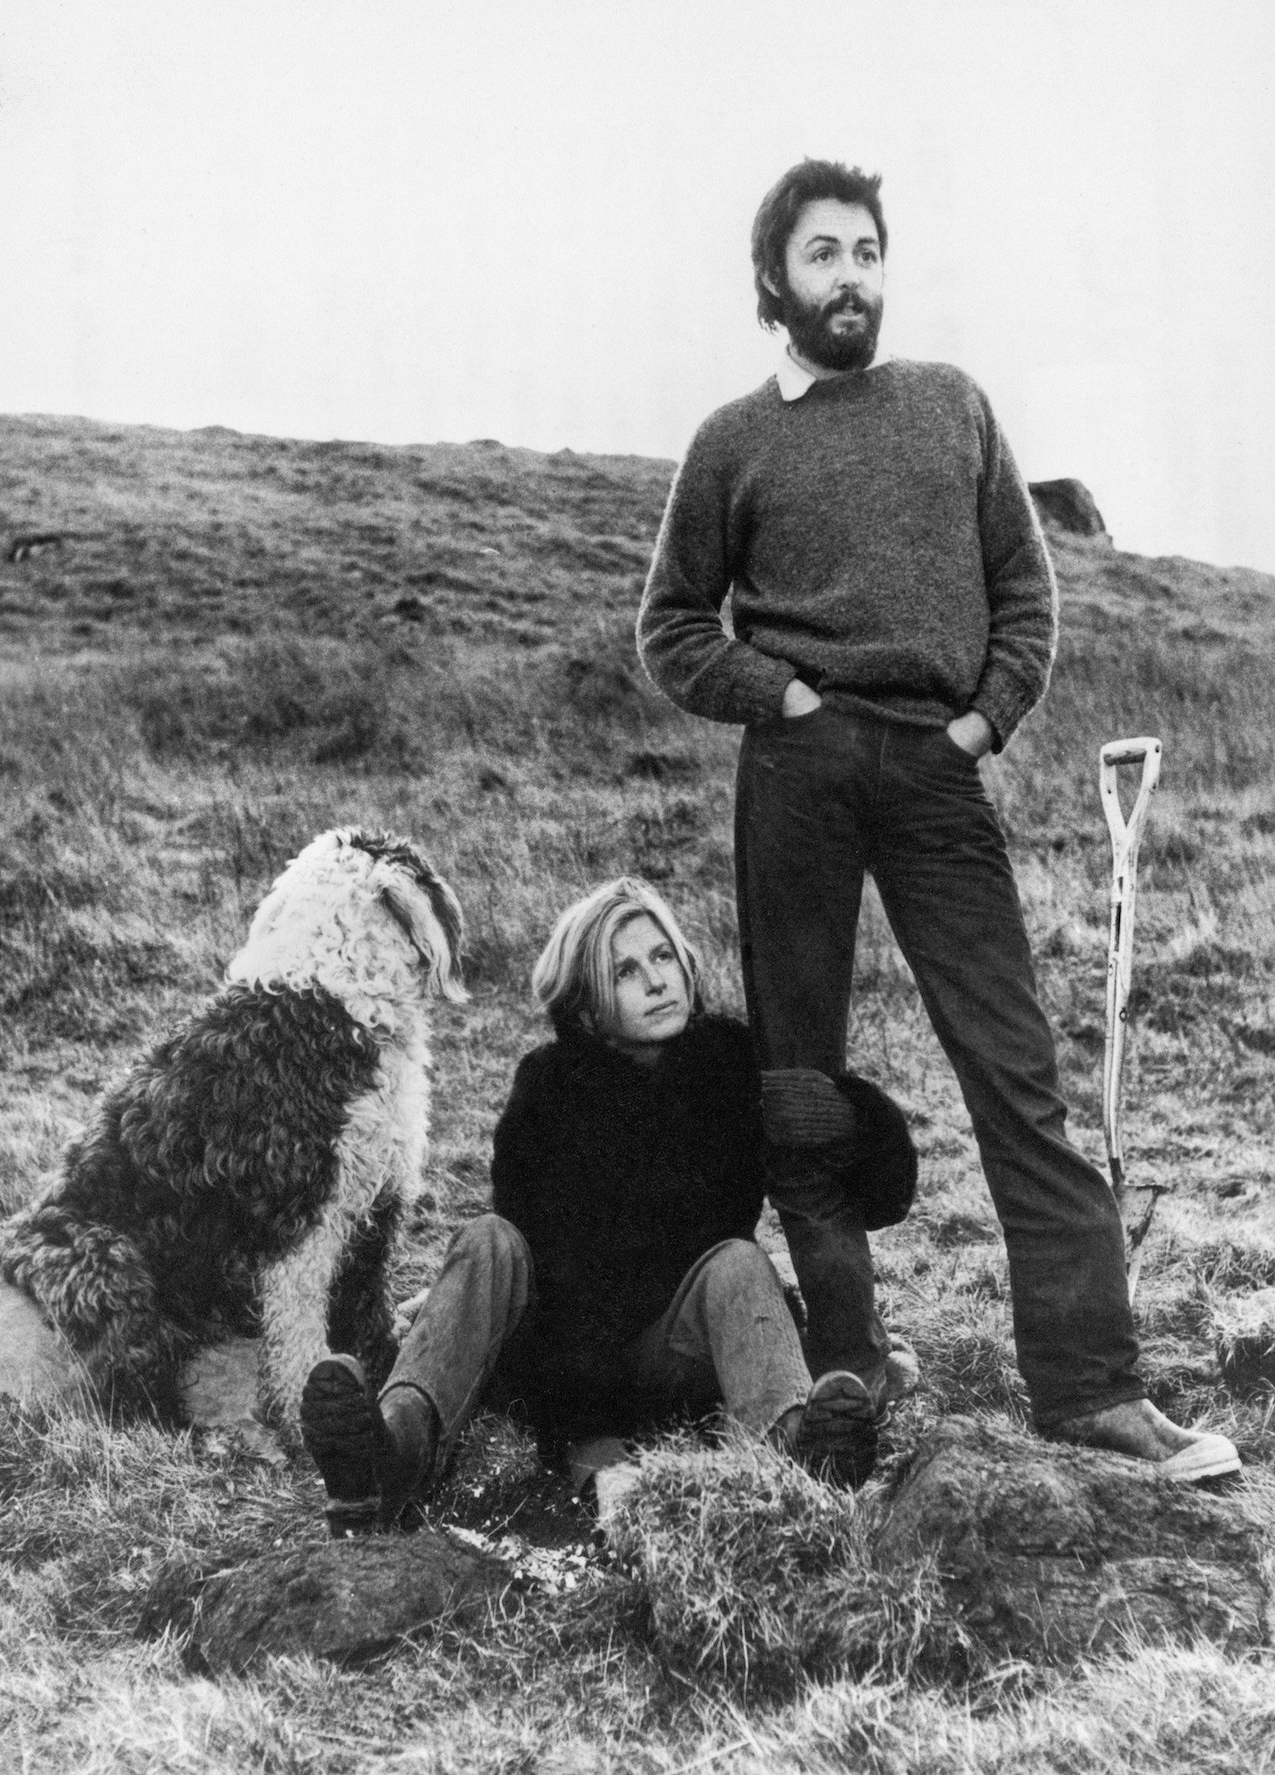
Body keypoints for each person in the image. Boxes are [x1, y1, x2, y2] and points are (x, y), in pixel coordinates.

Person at [636, 158, 1239, 1482]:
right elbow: (671, 627)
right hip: (795, 772)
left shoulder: (951, 406)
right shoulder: (733, 440)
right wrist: (777, 691)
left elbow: (1028, 592)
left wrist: (983, 720)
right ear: (772, 285)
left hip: (934, 767)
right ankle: (848, 1375)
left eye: (865, 251)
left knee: (1016, 1075)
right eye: (821, 255)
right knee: (801, 1092)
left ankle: (1090, 1388)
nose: (849, 276)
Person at [299, 876, 917, 1534]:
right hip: (565, 1359)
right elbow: (551, 1296)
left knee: (738, 1260)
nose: (657, 980)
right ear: (589, 1006)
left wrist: (854, 1119)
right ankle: (391, 1452)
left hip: (678, 1350)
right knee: (488, 1239)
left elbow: (883, 1198)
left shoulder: (730, 1064)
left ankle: (800, 1453)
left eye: (662, 956)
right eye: (625, 970)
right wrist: (594, 1448)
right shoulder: (549, 1089)